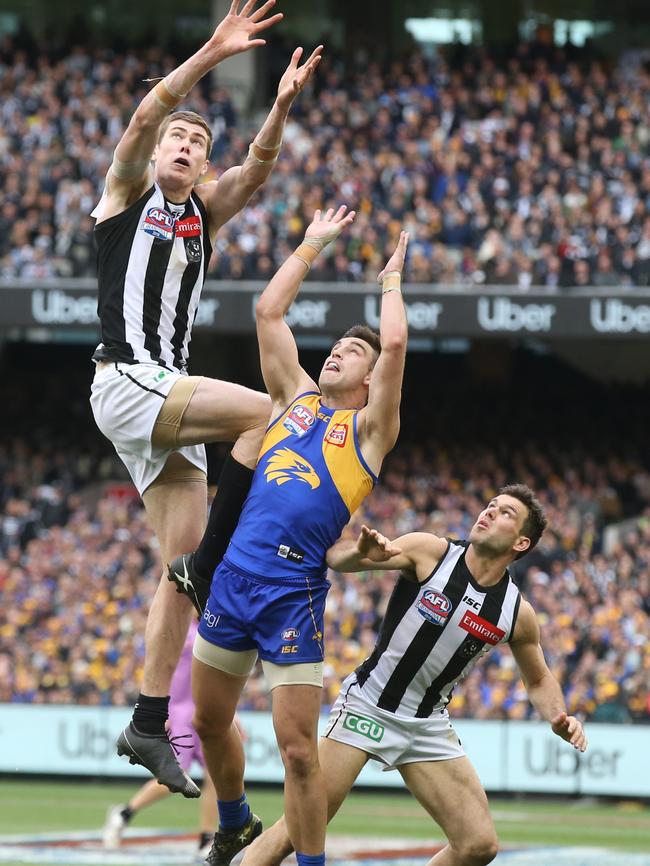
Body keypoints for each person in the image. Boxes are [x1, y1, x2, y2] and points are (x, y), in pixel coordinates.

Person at [88, 0, 322, 797]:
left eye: (198, 141)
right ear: (155, 153)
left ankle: (148, 722)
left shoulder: (200, 214)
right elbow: (150, 110)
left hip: (167, 403)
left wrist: (281, 104)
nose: (185, 144)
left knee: (178, 582)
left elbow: (254, 173)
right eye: (177, 138)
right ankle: (214, 557)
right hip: (129, 380)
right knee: (274, 411)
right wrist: (214, 54)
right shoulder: (124, 196)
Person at [182, 207, 409, 866]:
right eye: (338, 344)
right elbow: (268, 312)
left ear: (368, 380)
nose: (339, 349)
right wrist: (311, 245)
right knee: (206, 722)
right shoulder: (294, 398)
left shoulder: (370, 432)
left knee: (299, 753)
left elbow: (394, 346)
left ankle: (310, 864)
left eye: (353, 351)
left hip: (292, 592)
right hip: (232, 578)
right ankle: (234, 822)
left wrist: (390, 284)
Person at [239, 485, 589, 866]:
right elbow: (336, 559)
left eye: (505, 512)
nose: (488, 512)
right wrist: (360, 554)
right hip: (368, 706)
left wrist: (558, 716)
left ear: (521, 543)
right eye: (490, 505)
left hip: (427, 726)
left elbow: (538, 679)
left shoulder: (515, 612)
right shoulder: (431, 552)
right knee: (298, 830)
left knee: (478, 845)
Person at [102, 621, 218, 859]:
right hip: (181, 713)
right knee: (177, 775)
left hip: (203, 709)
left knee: (215, 774)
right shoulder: (184, 629)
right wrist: (160, 709)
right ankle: (125, 812)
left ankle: (207, 838)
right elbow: (162, 667)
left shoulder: (209, 626)